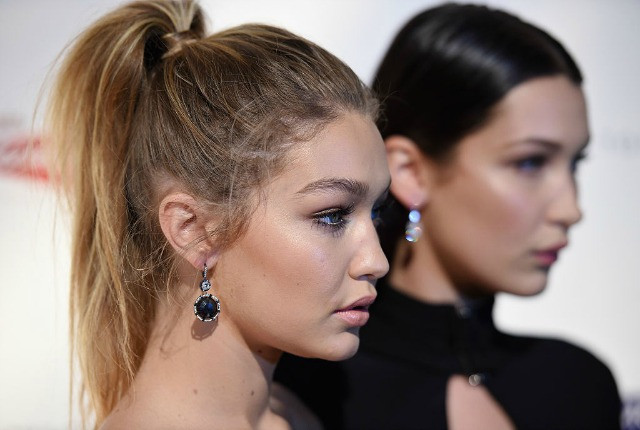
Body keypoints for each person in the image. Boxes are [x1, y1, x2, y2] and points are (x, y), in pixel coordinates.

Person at [275, 3, 621, 429]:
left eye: (574, 163)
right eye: (530, 162)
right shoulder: (301, 388)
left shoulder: (578, 385)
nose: (571, 209)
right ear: (411, 172)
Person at [45, 0, 391, 427]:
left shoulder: (297, 415)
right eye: (332, 215)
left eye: (376, 212)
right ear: (193, 230)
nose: (376, 261)